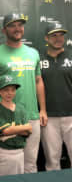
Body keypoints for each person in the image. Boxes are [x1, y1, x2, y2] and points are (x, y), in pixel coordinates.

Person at [0, 14, 47, 173]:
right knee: (9, 166)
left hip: (31, 116)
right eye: (13, 25)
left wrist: (43, 109)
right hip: (7, 118)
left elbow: (38, 81)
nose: (17, 28)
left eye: (20, 25)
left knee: (30, 165)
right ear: (4, 30)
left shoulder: (33, 53)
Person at [40, 22, 72, 170]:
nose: (58, 38)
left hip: (71, 115)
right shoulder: (38, 59)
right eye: (54, 35)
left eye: (61, 35)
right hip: (49, 117)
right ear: (46, 38)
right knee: (52, 162)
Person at [0, 75, 32, 176]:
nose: (9, 93)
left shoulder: (21, 109)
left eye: (12, 90)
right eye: (6, 90)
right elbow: (5, 131)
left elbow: (28, 132)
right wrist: (26, 127)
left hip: (20, 152)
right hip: (4, 153)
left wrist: (13, 129)